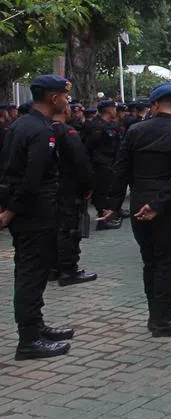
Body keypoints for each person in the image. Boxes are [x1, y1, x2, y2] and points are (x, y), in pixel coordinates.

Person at [98, 84, 171, 336]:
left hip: (139, 202)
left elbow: (120, 170)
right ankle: (162, 319)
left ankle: (158, 313)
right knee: (168, 262)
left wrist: (112, 206)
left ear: (154, 105)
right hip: (167, 206)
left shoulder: (135, 131)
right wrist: (158, 204)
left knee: (150, 261)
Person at [0, 75, 76, 359]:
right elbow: (31, 178)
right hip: (34, 212)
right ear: (53, 98)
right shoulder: (40, 130)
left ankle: (36, 326)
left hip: (30, 211)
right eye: (64, 96)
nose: (66, 101)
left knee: (35, 272)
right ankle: (29, 340)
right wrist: (11, 211)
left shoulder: (22, 124)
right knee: (31, 275)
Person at [51, 103, 97, 287]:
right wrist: (89, 185)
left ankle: (53, 268)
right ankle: (68, 270)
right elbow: (81, 162)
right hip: (69, 188)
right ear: (64, 110)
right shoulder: (67, 133)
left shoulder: (39, 130)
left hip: (48, 190)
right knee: (70, 230)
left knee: (53, 229)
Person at [86, 99, 123, 231]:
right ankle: (102, 219)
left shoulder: (111, 124)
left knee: (109, 190)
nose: (115, 111)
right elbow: (89, 147)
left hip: (110, 163)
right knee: (102, 191)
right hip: (100, 164)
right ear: (108, 109)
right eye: (113, 108)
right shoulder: (96, 125)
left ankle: (108, 215)